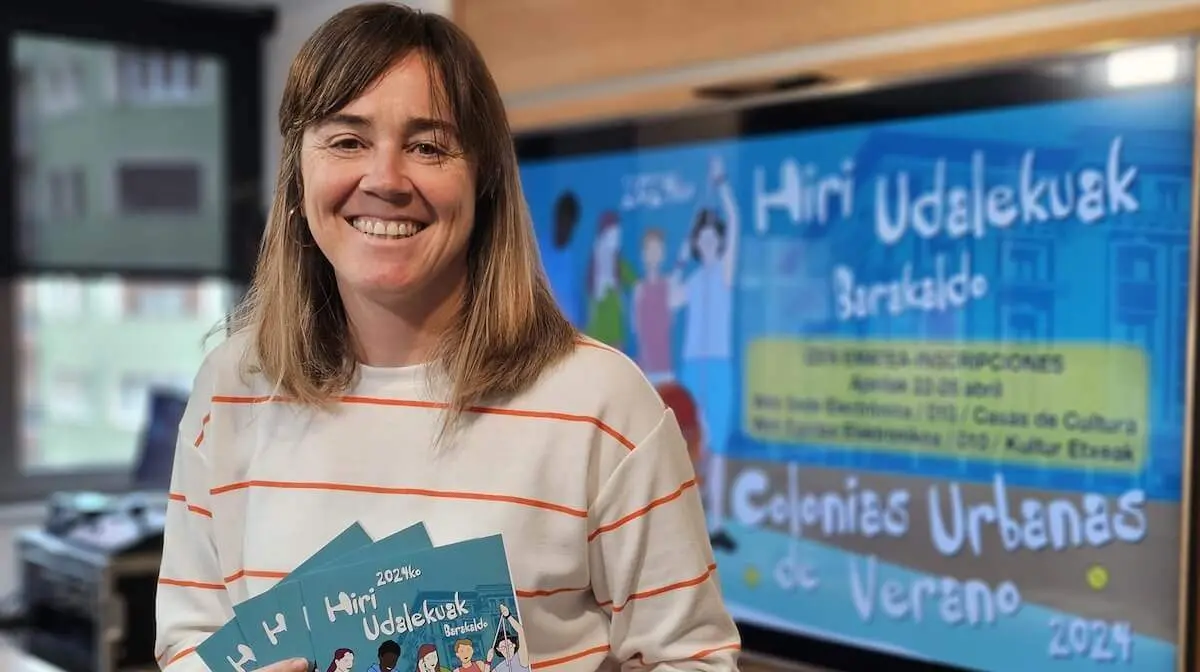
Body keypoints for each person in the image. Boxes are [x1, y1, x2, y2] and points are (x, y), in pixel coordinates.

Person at [152, 4, 739, 672]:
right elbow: (188, 641)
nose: (385, 180)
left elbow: (693, 658)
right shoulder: (231, 388)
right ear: (298, 174)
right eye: (347, 140)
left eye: (428, 146)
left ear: (484, 180)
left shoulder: (602, 403)